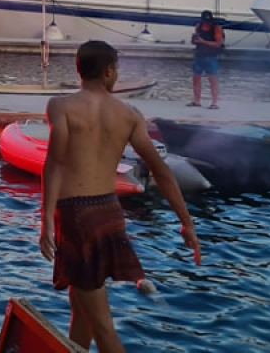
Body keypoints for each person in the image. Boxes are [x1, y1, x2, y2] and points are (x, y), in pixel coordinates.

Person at [41, 40, 201, 353]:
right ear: (109, 71)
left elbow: (56, 161)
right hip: (109, 213)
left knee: (102, 326)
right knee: (83, 311)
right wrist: (187, 224)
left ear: (80, 70)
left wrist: (46, 216)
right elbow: (162, 172)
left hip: (75, 215)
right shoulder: (129, 114)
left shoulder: (61, 106)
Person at [189, 10, 223, 109]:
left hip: (211, 57)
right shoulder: (198, 27)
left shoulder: (216, 28)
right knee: (196, 79)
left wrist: (203, 41)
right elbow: (195, 42)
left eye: (208, 20)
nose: (207, 23)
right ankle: (197, 101)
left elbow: (218, 43)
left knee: (212, 80)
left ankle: (214, 103)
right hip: (199, 55)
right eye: (205, 20)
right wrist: (194, 40)